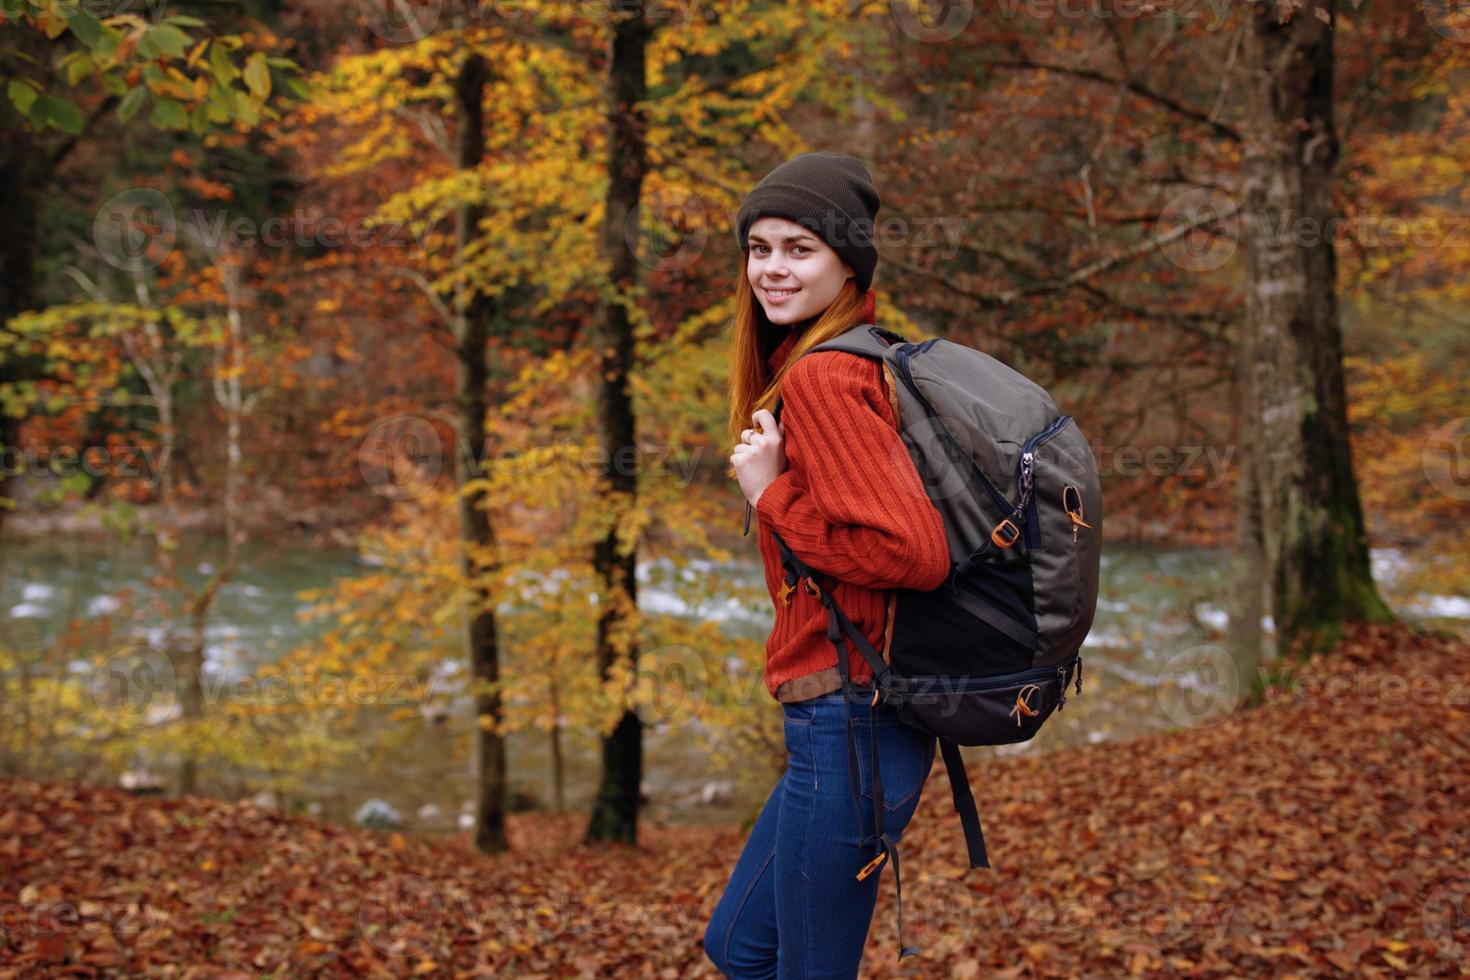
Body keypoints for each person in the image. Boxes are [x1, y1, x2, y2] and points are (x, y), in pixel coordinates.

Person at [704, 151, 952, 978]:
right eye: (760, 247)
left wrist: (771, 495)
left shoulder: (824, 377)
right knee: (738, 946)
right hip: (839, 724)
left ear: (848, 261)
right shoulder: (846, 358)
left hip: (854, 721)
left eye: (799, 248)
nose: (772, 268)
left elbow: (908, 553)